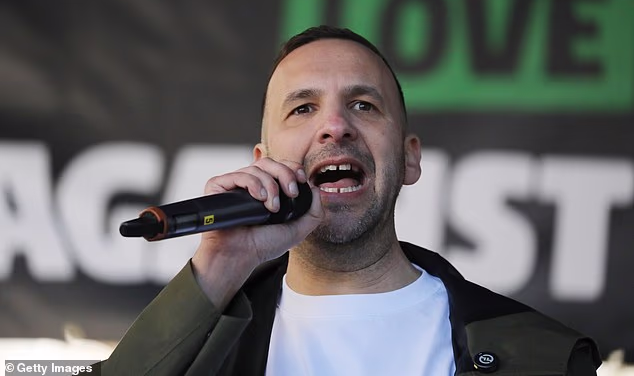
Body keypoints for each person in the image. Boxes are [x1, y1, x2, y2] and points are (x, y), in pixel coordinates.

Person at [97, 26, 601, 375]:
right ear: (263, 162)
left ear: (409, 158)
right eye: (303, 108)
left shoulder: (542, 357)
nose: (335, 126)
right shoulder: (201, 348)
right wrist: (219, 269)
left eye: (363, 105)